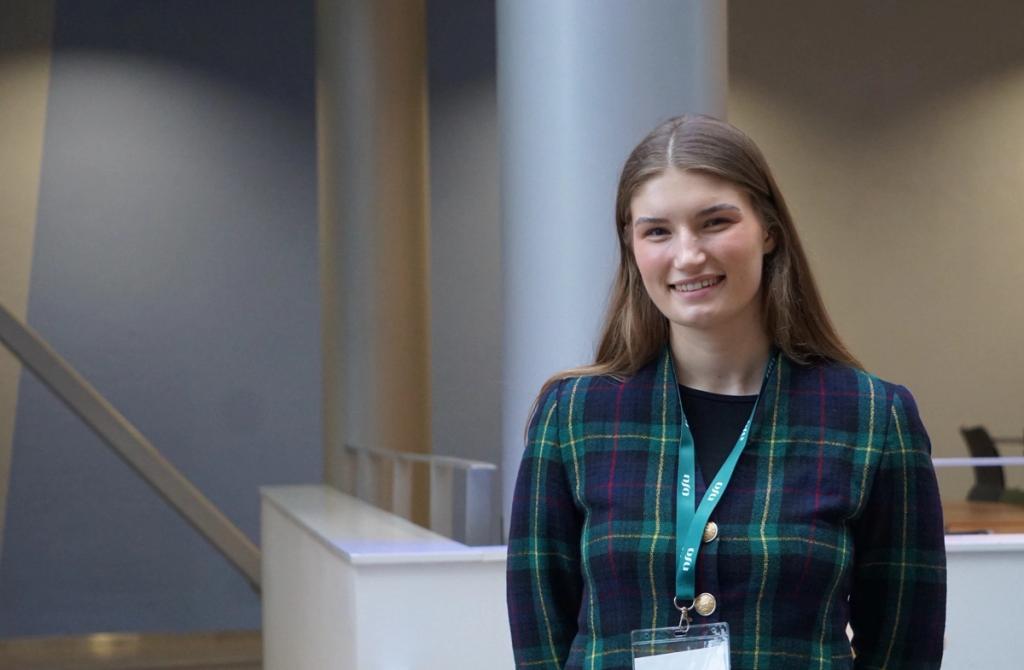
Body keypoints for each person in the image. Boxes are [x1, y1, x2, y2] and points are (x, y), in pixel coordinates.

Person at [505, 115, 946, 669]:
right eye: (657, 231)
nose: (687, 255)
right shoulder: (573, 416)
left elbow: (905, 649)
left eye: (714, 222)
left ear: (769, 230)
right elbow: (540, 636)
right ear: (632, 245)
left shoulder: (873, 419)